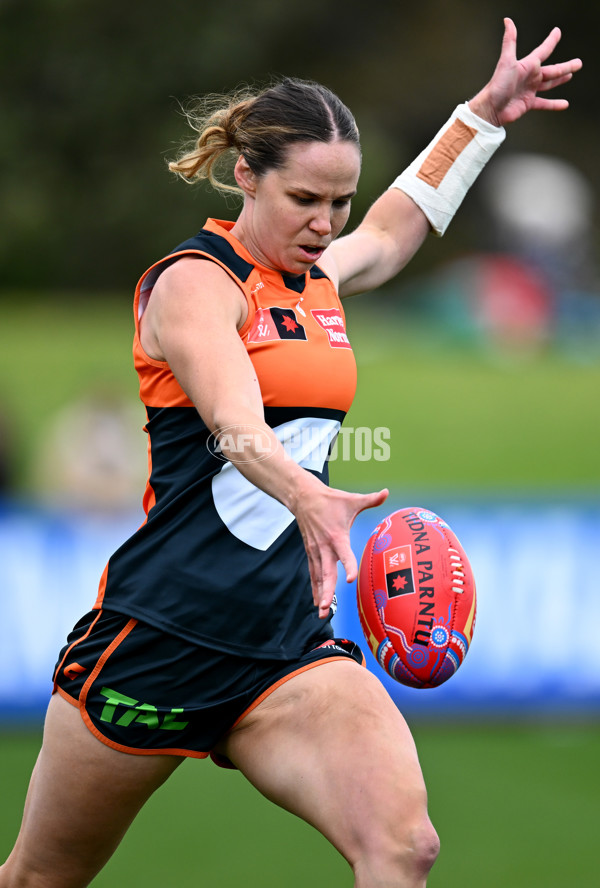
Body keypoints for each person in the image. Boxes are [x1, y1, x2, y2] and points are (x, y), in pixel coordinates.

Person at [1, 18, 581, 888]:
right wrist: (308, 497)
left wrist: (483, 117)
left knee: (403, 846)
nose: (325, 222)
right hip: (163, 632)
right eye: (304, 200)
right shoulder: (193, 285)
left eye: (338, 201)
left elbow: (393, 229)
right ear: (246, 177)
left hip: (284, 643)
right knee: (41, 878)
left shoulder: (319, 280)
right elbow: (235, 424)